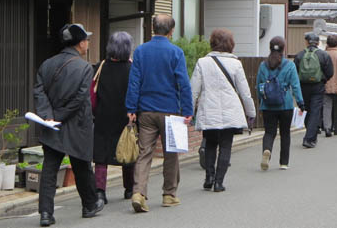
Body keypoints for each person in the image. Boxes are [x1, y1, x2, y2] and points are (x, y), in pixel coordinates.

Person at [33, 23, 104, 227]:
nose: (88, 43)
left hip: (50, 125)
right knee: (81, 166)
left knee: (49, 169)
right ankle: (89, 205)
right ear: (80, 43)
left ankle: (46, 213)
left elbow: (38, 91)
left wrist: (48, 116)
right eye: (87, 40)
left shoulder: (47, 64)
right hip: (77, 124)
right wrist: (60, 116)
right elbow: (81, 98)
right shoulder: (84, 67)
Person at [125, 15, 193, 213]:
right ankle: (169, 194)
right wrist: (187, 111)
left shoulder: (141, 51)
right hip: (170, 110)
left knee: (144, 153)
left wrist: (131, 108)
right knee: (171, 153)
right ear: (171, 31)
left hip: (146, 110)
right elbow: (184, 84)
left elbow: (134, 81)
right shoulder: (176, 52)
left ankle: (138, 192)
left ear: (152, 29)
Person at [191, 29, 256, 192]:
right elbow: (245, 92)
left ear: (212, 43)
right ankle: (219, 183)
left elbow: (193, 90)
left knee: (210, 144)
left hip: (209, 109)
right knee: (226, 146)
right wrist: (251, 113)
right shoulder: (236, 64)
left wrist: (189, 110)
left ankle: (209, 178)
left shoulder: (202, 63)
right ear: (230, 44)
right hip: (230, 110)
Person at [93, 32, 135, 204]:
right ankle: (129, 189)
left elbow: (93, 94)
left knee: (101, 156)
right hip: (125, 117)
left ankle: (100, 191)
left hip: (103, 116)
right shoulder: (132, 69)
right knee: (127, 151)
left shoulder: (100, 66)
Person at [256, 36, 304, 169]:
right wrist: (300, 102)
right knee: (285, 133)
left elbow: (259, 85)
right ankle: (284, 163)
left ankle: (267, 151)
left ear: (270, 48)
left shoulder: (263, 65)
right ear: (283, 49)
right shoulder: (289, 65)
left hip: (268, 105)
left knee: (269, 132)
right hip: (285, 104)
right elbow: (295, 86)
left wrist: (261, 100)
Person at [294, 33, 333, 149]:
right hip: (318, 85)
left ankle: (310, 134)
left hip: (303, 86)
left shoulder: (300, 55)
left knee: (306, 109)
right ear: (318, 42)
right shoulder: (323, 55)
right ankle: (309, 138)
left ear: (306, 42)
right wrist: (323, 79)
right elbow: (330, 72)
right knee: (315, 111)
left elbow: (295, 71)